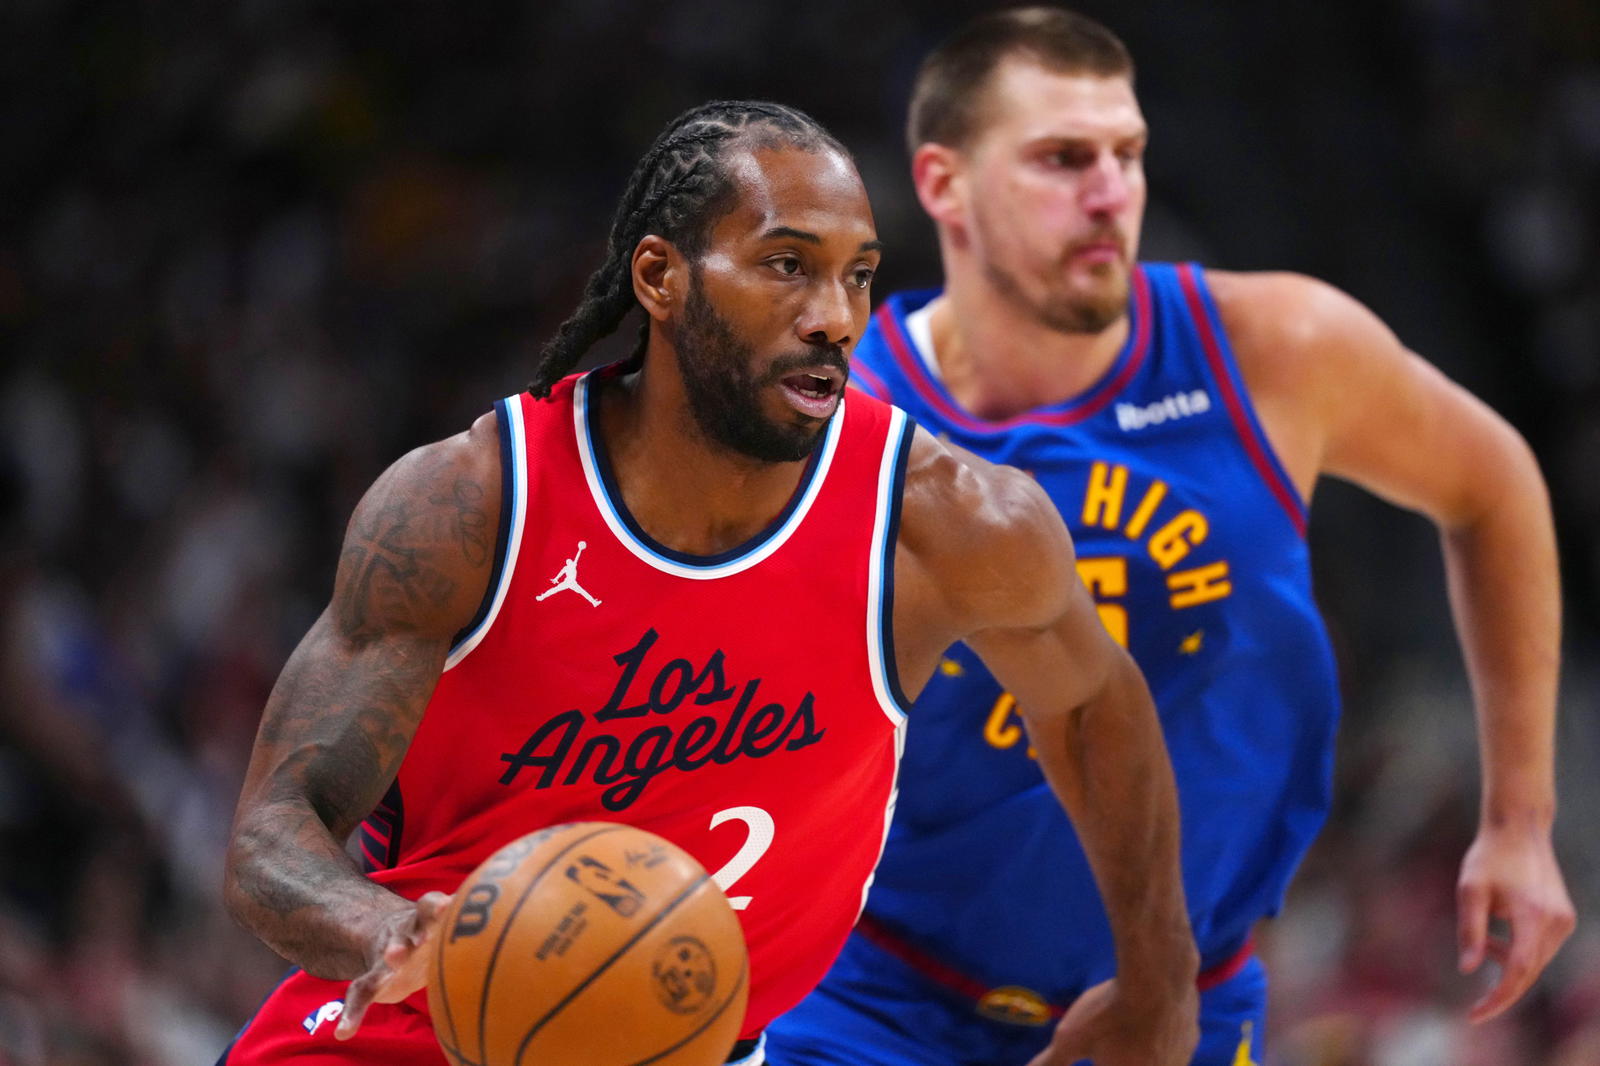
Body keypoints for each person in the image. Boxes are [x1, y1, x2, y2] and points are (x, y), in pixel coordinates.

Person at [216, 100, 1201, 1066]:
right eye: (787, 265)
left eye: (856, 276)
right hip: (418, 1028)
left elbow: (1090, 705)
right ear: (660, 277)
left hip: (696, 1043)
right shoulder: (472, 507)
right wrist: (380, 929)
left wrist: (1158, 980)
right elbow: (272, 831)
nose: (833, 317)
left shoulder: (944, 524)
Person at [765, 9, 1575, 1066]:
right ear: (941, 184)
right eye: (1062, 158)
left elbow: (1492, 481)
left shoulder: (1273, 348)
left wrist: (1519, 818)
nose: (1109, 191)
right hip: (876, 998)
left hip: (1179, 1003)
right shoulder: (833, 420)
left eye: (1127, 154)